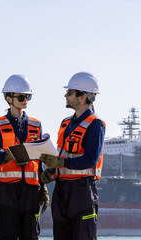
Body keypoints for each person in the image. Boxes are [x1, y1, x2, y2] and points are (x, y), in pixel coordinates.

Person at [40, 72, 106, 240]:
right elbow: (62, 153)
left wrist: (61, 162)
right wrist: (52, 171)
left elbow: (91, 159)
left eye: (69, 93)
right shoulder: (65, 123)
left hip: (82, 191)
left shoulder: (95, 124)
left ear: (82, 97)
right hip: (61, 191)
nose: (66, 95)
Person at [0, 74, 50, 240]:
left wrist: (42, 185)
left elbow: (39, 158)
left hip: (31, 189)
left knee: (30, 235)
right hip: (5, 190)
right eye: (22, 97)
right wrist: (8, 154)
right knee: (6, 234)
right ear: (9, 98)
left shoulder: (36, 125)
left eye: (28, 97)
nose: (26, 101)